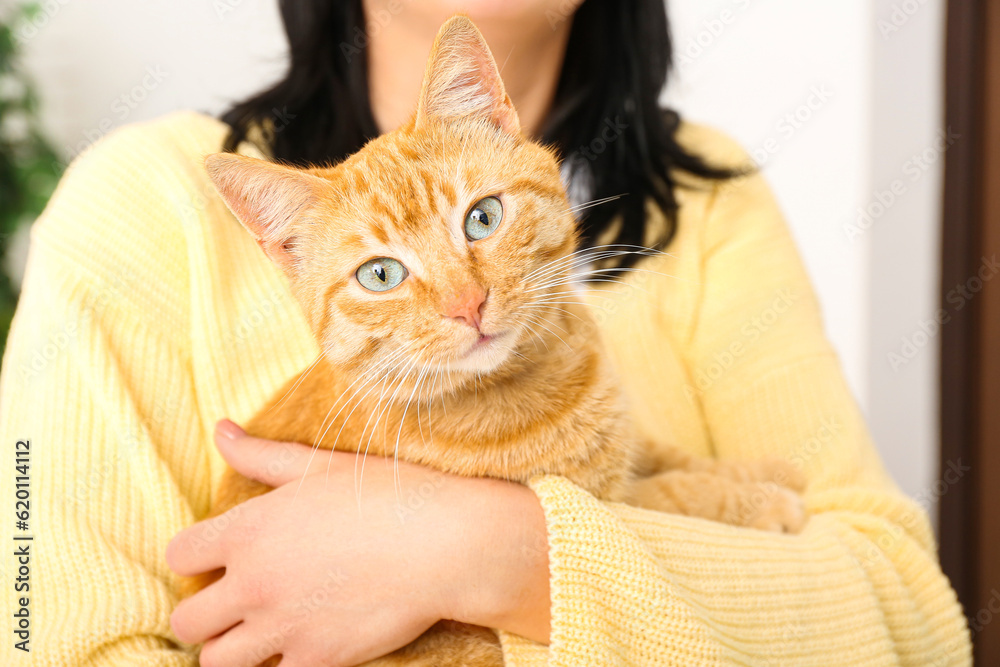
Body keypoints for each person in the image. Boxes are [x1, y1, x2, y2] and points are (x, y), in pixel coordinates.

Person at [0, 0, 972, 665]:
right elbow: (46, 629)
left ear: (496, 118)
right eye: (384, 274)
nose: (465, 301)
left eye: (481, 220)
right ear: (290, 254)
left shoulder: (714, 195)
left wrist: (493, 556)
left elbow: (908, 621)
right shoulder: (137, 200)